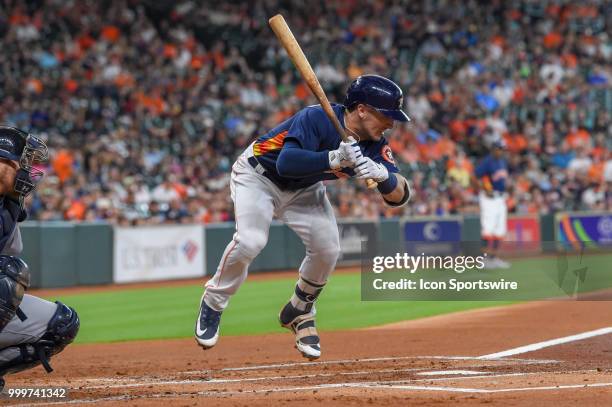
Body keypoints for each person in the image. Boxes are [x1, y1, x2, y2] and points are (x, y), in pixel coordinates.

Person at [195, 75, 412, 359]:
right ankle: (214, 301)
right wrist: (332, 159)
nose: (391, 123)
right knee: (250, 241)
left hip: (304, 187)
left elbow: (400, 196)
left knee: (328, 249)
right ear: (362, 109)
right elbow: (286, 163)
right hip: (258, 175)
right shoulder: (316, 117)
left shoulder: (374, 143)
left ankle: (300, 309)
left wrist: (382, 175)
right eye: (386, 116)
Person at [0, 126, 80, 390]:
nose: (27, 170)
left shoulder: (10, 202)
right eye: (19, 162)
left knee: (62, 323)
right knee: (9, 274)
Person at [475, 139, 511, 269]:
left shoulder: (502, 162)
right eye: (500, 149)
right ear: (494, 149)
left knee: (499, 229)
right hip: (489, 199)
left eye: (502, 149)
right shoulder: (487, 161)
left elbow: (503, 179)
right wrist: (485, 188)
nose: (501, 151)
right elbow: (476, 175)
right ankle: (483, 260)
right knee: (487, 229)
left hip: (500, 198)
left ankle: (494, 258)